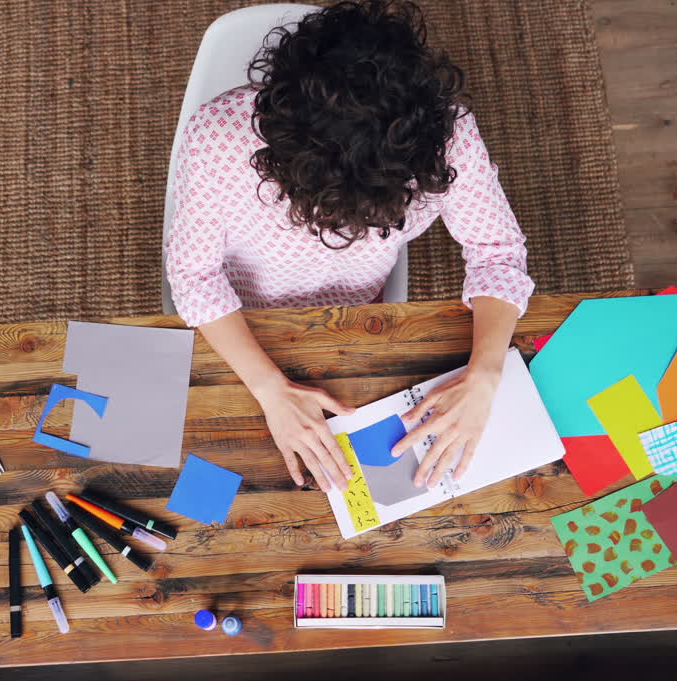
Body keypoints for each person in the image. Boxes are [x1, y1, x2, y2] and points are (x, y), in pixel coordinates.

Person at [166, 0, 533, 493]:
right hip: (243, 320)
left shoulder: (451, 133)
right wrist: (270, 390)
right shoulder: (215, 137)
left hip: (363, 311)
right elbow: (193, 278)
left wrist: (486, 373)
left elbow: (498, 252)